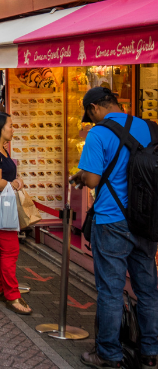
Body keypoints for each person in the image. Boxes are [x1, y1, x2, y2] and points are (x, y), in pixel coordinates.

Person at [71, 87, 158, 369]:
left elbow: (94, 180)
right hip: (146, 220)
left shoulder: (98, 133)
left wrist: (81, 175)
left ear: (95, 107)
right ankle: (150, 352)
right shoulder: (147, 127)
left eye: (90, 114)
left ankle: (109, 354)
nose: (92, 120)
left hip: (112, 221)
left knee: (111, 290)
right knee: (147, 290)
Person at [0, 108, 31, 315]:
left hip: (0, 207)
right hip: (2, 209)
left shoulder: (1, 151)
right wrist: (16, 183)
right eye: (10, 125)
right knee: (10, 251)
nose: (13, 129)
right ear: (0, 129)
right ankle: (12, 295)